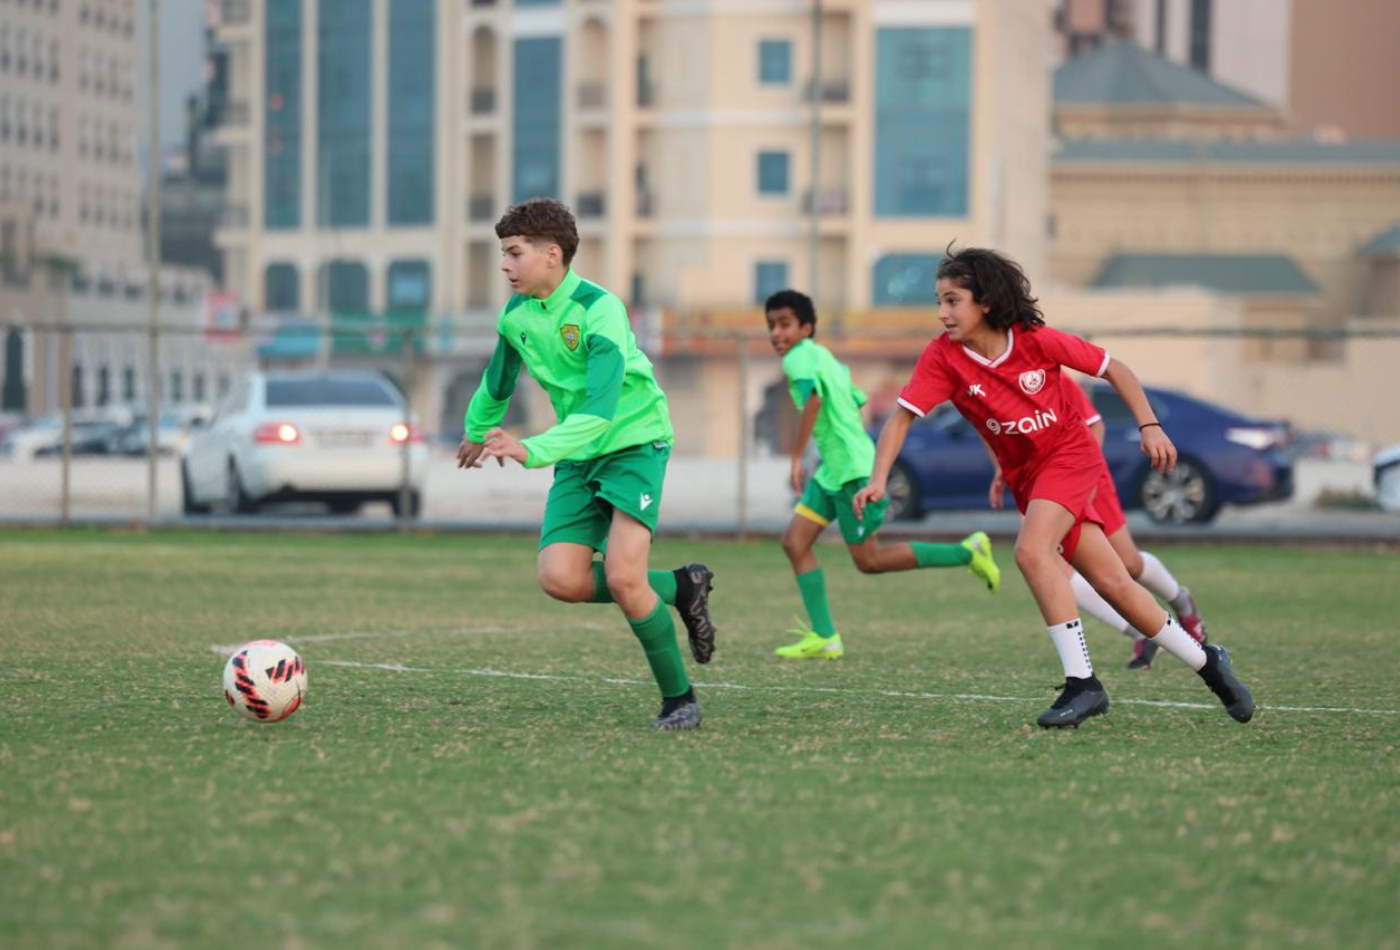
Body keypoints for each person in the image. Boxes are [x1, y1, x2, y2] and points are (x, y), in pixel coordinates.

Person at [854, 246, 1254, 728]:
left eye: (953, 300)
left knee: (1031, 551)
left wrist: (1150, 426)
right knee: (1114, 585)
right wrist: (879, 479)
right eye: (939, 301)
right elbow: (901, 421)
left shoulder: (1035, 340)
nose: (942, 313)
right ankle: (1210, 664)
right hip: (1030, 477)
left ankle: (1083, 684)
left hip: (1070, 456)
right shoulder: (942, 358)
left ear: (985, 301)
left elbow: (1116, 369)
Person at [457, 199, 716, 731]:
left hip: (633, 443)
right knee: (560, 578)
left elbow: (599, 411)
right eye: (503, 254)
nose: (504, 266)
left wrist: (530, 449)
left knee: (623, 577)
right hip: (577, 450)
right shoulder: (516, 316)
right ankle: (680, 586)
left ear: (552, 255)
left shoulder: (601, 310)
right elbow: (498, 380)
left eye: (513, 254)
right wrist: (476, 430)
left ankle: (679, 700)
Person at [765, 290, 1000, 660]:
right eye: (771, 326)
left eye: (784, 324)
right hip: (834, 471)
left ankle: (965, 552)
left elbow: (814, 400)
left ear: (805, 328)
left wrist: (796, 457)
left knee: (869, 560)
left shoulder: (798, 358)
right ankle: (825, 636)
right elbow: (857, 400)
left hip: (852, 473)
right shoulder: (826, 358)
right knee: (795, 543)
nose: (777, 333)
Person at [987, 381, 1209, 670]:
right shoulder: (983, 377)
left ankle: (1182, 603)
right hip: (1035, 483)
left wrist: (1084, 478)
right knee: (1051, 567)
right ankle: (1142, 634)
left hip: (1083, 474)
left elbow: (1096, 426)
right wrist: (1001, 468)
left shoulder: (1044, 372)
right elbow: (989, 428)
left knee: (1127, 565)